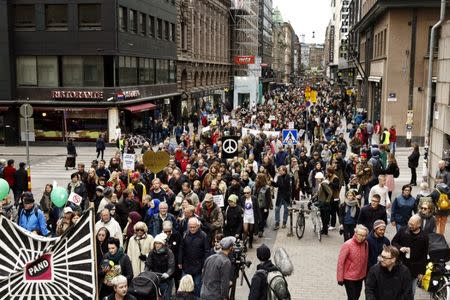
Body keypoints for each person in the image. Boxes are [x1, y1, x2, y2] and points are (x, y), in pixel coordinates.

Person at [391, 214, 428, 296]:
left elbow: (424, 255)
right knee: (398, 290)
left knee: (411, 292)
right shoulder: (403, 230)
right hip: (400, 265)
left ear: (419, 225)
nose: (409, 225)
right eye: (409, 223)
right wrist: (400, 248)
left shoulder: (424, 237)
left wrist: (422, 272)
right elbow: (394, 242)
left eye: (412, 224)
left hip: (414, 269)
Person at [336, 224, 369, 300]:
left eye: (364, 235)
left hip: (360, 277)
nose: (361, 237)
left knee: (357, 296)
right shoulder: (347, 244)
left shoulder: (366, 244)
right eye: (359, 235)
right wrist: (340, 278)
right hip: (349, 277)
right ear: (355, 233)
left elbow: (365, 260)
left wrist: (364, 274)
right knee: (352, 298)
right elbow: (340, 262)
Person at [179, 217, 210, 296]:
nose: (192, 229)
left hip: (198, 265)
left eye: (194, 227)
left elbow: (207, 251)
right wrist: (180, 261)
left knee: (197, 285)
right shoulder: (185, 234)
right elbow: (181, 248)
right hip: (186, 264)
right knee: (184, 285)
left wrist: (204, 265)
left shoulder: (203, 236)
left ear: (198, 226)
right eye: (190, 227)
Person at [145, 233, 175, 300]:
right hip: (155, 277)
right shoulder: (152, 253)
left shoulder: (169, 252)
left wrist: (168, 273)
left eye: (159, 243)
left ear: (163, 244)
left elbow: (171, 266)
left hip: (166, 279)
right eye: (156, 243)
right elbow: (148, 264)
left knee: (166, 297)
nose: (157, 245)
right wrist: (145, 272)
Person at [271, 165, 292, 230]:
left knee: (286, 210)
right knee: (277, 209)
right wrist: (272, 182)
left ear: (284, 171)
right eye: (279, 170)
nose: (280, 171)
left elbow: (285, 185)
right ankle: (277, 222)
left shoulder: (288, 177)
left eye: (281, 170)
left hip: (286, 196)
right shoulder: (279, 177)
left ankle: (284, 222)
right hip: (280, 196)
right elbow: (277, 185)